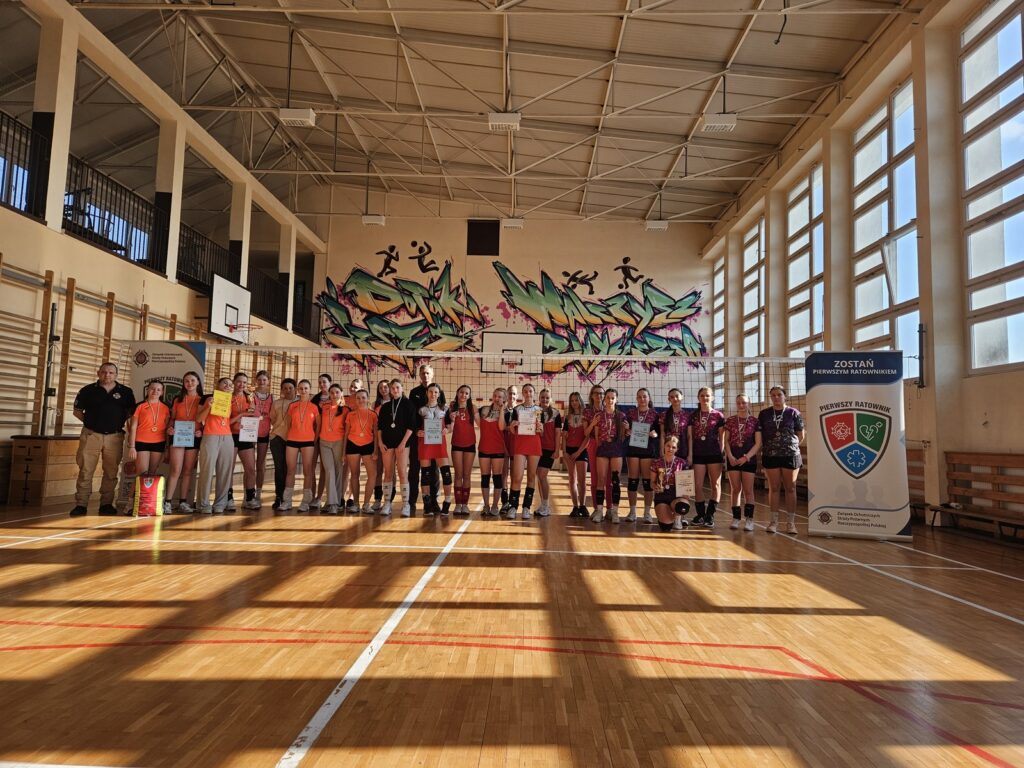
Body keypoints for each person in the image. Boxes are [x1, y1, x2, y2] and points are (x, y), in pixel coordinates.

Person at [70, 362, 136, 516]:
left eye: (111, 372)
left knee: (111, 472)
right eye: (104, 372)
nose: (107, 375)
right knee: (85, 470)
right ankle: (81, 504)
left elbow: (130, 414)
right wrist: (92, 423)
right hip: (91, 435)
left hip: (114, 437)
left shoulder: (125, 392)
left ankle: (106, 504)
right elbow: (77, 412)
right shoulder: (87, 390)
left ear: (116, 375)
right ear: (98, 373)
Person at [757, 386, 805, 535]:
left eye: (779, 394)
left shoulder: (793, 413)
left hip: (790, 455)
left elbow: (801, 435)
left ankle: (791, 523)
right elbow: (760, 435)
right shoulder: (764, 414)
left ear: (785, 396)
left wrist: (790, 446)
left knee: (791, 488)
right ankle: (773, 522)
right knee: (774, 488)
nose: (776, 397)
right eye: (773, 395)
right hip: (770, 455)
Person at [408, 364, 446, 514]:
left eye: (428, 373)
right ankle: (411, 502)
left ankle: (433, 502)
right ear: (419, 375)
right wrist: (416, 430)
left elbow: (443, 412)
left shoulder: (438, 391)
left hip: (434, 439)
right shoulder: (414, 393)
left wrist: (446, 427)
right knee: (415, 470)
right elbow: (412, 415)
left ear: (432, 374)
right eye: (423, 373)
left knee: (433, 471)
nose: (425, 376)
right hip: (418, 437)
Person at [587, 387, 628, 523]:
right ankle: (599, 511)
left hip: (616, 449)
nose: (610, 400)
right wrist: (603, 443)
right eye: (608, 398)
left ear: (616, 399)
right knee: (601, 480)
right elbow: (596, 436)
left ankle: (614, 512)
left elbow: (624, 436)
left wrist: (627, 429)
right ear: (604, 399)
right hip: (603, 449)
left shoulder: (621, 416)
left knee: (615, 480)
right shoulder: (599, 415)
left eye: (612, 398)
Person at [196, 377, 235, 514]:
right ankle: (203, 504)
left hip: (227, 437)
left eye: (230, 384)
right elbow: (199, 419)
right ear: (217, 385)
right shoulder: (209, 399)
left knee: (225, 471)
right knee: (207, 470)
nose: (228, 385)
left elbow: (228, 420)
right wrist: (208, 407)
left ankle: (220, 503)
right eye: (225, 383)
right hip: (210, 436)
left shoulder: (231, 400)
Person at [165, 371, 203, 513]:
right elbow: (172, 419)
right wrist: (169, 428)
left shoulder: (203, 400)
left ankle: (183, 502)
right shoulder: (178, 399)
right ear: (183, 383)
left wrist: (202, 431)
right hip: (178, 436)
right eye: (186, 381)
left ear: (198, 382)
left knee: (187, 471)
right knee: (175, 469)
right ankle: (167, 502)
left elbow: (206, 420)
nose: (189, 383)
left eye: (192, 380)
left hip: (194, 437)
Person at [688, 387, 726, 528]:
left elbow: (722, 437)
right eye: (702, 395)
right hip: (698, 453)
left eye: (708, 395)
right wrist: (690, 454)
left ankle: (710, 515)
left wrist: (721, 454)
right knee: (697, 485)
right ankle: (700, 515)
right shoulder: (693, 415)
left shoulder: (718, 415)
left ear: (712, 398)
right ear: (698, 398)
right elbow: (690, 436)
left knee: (715, 484)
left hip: (714, 454)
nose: (705, 398)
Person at [377, 378, 416, 517]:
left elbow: (411, 427)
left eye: (397, 387)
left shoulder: (408, 404)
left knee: (402, 472)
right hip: (387, 443)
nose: (395, 390)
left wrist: (403, 443)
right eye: (392, 388)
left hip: (402, 444)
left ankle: (406, 504)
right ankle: (387, 503)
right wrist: (380, 442)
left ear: (402, 388)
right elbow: (380, 427)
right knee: (388, 473)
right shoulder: (386, 406)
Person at [280, 379, 319, 513]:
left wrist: (314, 439)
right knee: (290, 470)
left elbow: (318, 425)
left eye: (306, 388)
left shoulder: (314, 407)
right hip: (292, 440)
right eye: (301, 388)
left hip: (308, 441)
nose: (303, 390)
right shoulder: (293, 406)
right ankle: (287, 501)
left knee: (308, 471)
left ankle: (305, 501)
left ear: (310, 390)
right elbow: (289, 423)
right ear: (298, 390)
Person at [724, 393, 761, 531]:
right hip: (733, 459)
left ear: (748, 403)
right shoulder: (730, 420)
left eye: (744, 402)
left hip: (748, 459)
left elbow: (758, 443)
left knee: (748, 490)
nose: (741, 405)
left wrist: (746, 457)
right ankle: (736, 518)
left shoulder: (755, 421)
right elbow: (726, 441)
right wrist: (730, 456)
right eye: (738, 402)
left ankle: (749, 520)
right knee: (735, 489)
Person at [507, 383, 543, 520]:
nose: (528, 393)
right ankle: (513, 507)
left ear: (534, 393)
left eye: (530, 391)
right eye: (526, 391)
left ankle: (526, 508)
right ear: (522, 393)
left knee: (531, 477)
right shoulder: (517, 409)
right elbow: (512, 430)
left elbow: (542, 432)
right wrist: (512, 426)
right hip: (520, 445)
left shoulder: (539, 410)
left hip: (534, 444)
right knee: (517, 477)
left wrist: (541, 428)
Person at [416, 383, 451, 516]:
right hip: (425, 444)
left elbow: (450, 426)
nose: (433, 394)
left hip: (439, 444)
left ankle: (447, 502)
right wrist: (417, 432)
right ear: (427, 393)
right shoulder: (421, 410)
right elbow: (415, 427)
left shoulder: (445, 409)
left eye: (436, 392)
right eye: (431, 391)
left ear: (439, 394)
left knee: (446, 473)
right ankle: (427, 504)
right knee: (425, 475)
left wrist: (447, 430)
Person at [625, 387, 659, 523]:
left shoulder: (655, 414)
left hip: (648, 451)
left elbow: (658, 432)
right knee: (632, 482)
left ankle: (647, 513)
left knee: (648, 483)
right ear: (636, 399)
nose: (642, 399)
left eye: (644, 396)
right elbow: (626, 430)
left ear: (649, 398)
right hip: (633, 450)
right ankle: (632, 512)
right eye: (639, 397)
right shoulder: (631, 413)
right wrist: (626, 430)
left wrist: (654, 434)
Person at [345, 389, 379, 514]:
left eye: (363, 397)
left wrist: (375, 451)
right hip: (352, 445)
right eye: (358, 398)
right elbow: (346, 434)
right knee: (355, 474)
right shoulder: (350, 415)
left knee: (373, 474)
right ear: (355, 400)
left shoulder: (373, 415)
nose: (361, 400)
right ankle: (356, 504)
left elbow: (376, 434)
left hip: (368, 445)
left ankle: (366, 504)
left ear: (368, 399)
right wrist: (343, 453)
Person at [127, 380, 170, 479]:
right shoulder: (139, 406)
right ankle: (134, 490)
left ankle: (147, 491)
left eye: (158, 389)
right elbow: (133, 427)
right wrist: (132, 446)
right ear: (147, 390)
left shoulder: (166, 408)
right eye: (152, 389)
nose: (155, 391)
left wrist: (167, 447)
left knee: (152, 474)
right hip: (141, 442)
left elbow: (167, 429)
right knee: (142, 475)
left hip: (159, 443)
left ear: (162, 392)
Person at [229, 372, 260, 510]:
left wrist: (253, 431)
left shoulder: (250, 398)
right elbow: (224, 421)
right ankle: (228, 498)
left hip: (246, 436)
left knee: (251, 469)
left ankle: (249, 498)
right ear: (234, 382)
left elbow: (253, 417)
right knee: (229, 469)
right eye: (239, 381)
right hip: (231, 435)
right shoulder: (227, 398)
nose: (242, 385)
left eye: (245, 382)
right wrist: (240, 416)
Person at [651, 434, 691, 532]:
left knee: (683, 506)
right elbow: (651, 482)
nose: (670, 449)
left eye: (673, 447)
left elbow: (687, 485)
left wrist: (686, 493)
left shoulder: (682, 463)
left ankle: (678, 518)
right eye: (668, 446)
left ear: (677, 449)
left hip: (676, 495)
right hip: (662, 495)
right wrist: (655, 486)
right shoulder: (656, 462)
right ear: (664, 446)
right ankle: (668, 515)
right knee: (666, 527)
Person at [447, 384, 476, 516]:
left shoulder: (472, 408)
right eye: (461, 392)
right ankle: (458, 504)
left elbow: (481, 423)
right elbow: (450, 429)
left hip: (470, 444)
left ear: (469, 396)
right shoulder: (452, 407)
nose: (463, 395)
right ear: (457, 393)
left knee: (467, 475)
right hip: (457, 444)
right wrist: (452, 419)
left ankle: (465, 504)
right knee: (458, 474)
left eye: (466, 393)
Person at [477, 388, 507, 517]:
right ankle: (486, 506)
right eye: (495, 395)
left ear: (504, 399)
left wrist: (502, 410)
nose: (497, 398)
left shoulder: (506, 413)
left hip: (498, 449)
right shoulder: (484, 410)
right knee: (485, 478)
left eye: (500, 397)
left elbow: (501, 427)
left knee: (497, 478)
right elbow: (472, 413)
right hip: (484, 448)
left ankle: (495, 505)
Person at [318, 383, 347, 514]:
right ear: (329, 394)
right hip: (324, 442)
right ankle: (332, 503)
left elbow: (347, 431)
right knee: (329, 471)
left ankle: (336, 502)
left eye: (337, 392)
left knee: (338, 472)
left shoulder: (346, 410)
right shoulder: (324, 407)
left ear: (341, 393)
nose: (334, 395)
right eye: (332, 392)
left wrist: (345, 450)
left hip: (338, 442)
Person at [268, 378, 296, 511]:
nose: (288, 390)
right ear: (281, 390)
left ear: (295, 389)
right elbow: (272, 419)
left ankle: (287, 497)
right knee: (279, 468)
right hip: (277, 437)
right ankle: (279, 496)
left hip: (293, 439)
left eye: (290, 388)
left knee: (290, 469)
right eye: (285, 388)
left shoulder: (299, 402)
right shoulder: (277, 403)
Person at [561, 392, 589, 518]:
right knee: (572, 479)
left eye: (576, 400)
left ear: (580, 401)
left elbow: (587, 437)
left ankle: (583, 505)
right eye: (572, 400)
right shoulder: (568, 418)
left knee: (582, 481)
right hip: (569, 450)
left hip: (581, 450)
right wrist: (564, 451)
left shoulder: (585, 417)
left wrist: (578, 452)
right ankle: (575, 507)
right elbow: (564, 436)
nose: (574, 403)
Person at [536, 388, 561, 517]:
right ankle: (543, 504)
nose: (544, 399)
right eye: (542, 397)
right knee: (539, 477)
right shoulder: (535, 411)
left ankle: (546, 505)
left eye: (547, 397)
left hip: (548, 449)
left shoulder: (555, 413)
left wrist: (557, 450)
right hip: (536, 448)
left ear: (550, 399)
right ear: (539, 399)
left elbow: (557, 434)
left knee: (542, 476)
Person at [310, 373, 333, 511]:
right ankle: (311, 496)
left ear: (330, 383)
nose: (322, 384)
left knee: (325, 468)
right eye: (320, 382)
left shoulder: (335, 397)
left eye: (324, 382)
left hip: (328, 437)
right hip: (315, 436)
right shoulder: (314, 399)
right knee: (311, 467)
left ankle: (319, 497)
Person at [252, 370, 274, 506]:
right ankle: (249, 493)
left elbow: (274, 415)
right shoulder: (251, 395)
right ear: (256, 381)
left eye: (264, 380)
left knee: (260, 464)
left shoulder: (272, 397)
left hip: (264, 433)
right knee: (249, 466)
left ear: (268, 382)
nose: (261, 382)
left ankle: (258, 493)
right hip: (250, 432)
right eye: (259, 379)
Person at [371, 379, 391, 510]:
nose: (383, 389)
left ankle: (388, 500)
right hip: (378, 439)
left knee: (390, 471)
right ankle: (377, 499)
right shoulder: (375, 404)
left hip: (391, 440)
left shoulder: (395, 402)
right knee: (378, 471)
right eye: (380, 388)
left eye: (385, 387)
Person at [499, 384, 519, 512]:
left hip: (516, 445)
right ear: (506, 395)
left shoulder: (520, 410)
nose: (512, 395)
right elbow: (499, 428)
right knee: (504, 474)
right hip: (504, 443)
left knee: (515, 475)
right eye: (510, 393)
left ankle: (512, 502)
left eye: (514, 393)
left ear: (517, 395)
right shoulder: (502, 410)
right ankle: (504, 502)